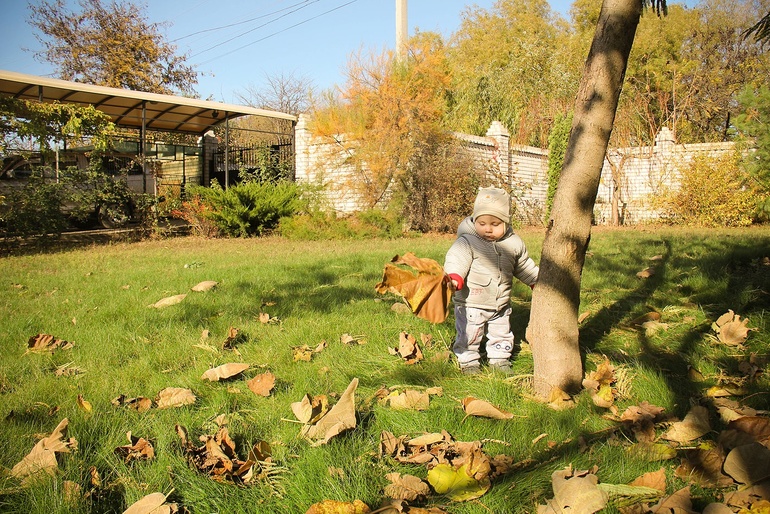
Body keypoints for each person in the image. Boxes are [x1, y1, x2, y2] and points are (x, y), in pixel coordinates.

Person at [444, 187, 539, 375]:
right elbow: (457, 260)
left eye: (495, 224)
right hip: (472, 303)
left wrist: (537, 281)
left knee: (501, 333)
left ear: (506, 222)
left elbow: (523, 265)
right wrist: (454, 277)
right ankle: (468, 361)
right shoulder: (468, 241)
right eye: (482, 223)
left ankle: (499, 359)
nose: (488, 228)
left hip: (500, 303)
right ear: (474, 220)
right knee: (469, 334)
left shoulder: (514, 243)